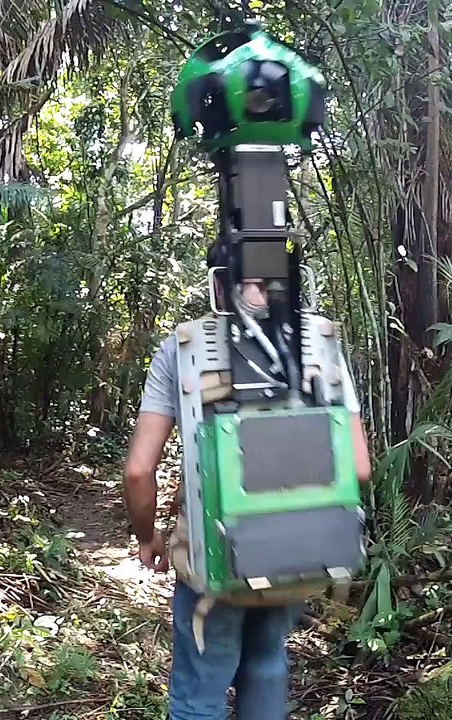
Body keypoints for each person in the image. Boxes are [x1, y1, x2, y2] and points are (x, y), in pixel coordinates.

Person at [122, 249, 372, 720]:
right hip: (299, 548)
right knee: (267, 666)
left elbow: (139, 469)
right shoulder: (320, 342)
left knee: (202, 689)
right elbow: (359, 467)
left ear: (219, 284)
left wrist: (146, 537)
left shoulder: (184, 346)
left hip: (213, 558)